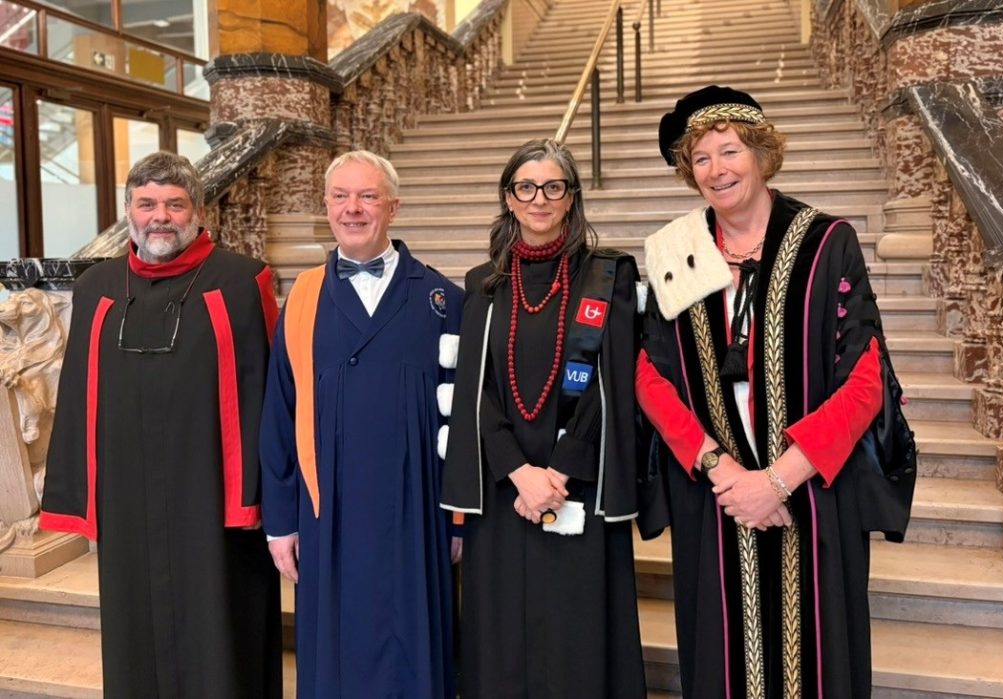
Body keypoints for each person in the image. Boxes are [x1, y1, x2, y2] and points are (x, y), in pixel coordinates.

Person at [636, 85, 917, 698]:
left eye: (729, 151)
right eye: (701, 158)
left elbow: (866, 376)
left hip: (812, 492)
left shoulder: (827, 242)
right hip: (715, 498)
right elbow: (648, 376)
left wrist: (779, 478)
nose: (717, 169)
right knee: (721, 660)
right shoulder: (674, 251)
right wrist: (721, 470)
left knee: (817, 659)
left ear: (761, 153)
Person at [40, 152, 283, 698]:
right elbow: (78, 395)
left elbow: (271, 396)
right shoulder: (96, 287)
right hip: (128, 504)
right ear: (127, 209)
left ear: (197, 210)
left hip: (216, 502)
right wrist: (79, 494)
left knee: (223, 636)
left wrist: (266, 496)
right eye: (146, 203)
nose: (160, 217)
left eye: (174, 204)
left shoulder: (243, 281)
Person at [441, 138, 647, 698]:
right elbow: (472, 391)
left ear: (571, 198)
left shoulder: (608, 276)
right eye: (526, 187)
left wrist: (557, 473)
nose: (539, 199)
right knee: (502, 639)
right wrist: (518, 472)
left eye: (553, 187)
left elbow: (615, 381)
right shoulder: (482, 282)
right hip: (505, 491)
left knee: (577, 637)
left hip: (575, 484)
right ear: (509, 198)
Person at [260, 150, 463, 698]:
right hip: (329, 515)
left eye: (368, 196)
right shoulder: (301, 298)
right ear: (325, 207)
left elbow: (462, 419)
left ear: (392, 207)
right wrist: (280, 521)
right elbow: (279, 412)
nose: (354, 208)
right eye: (341, 196)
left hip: (417, 516)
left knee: (414, 648)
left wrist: (459, 519)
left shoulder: (445, 299)